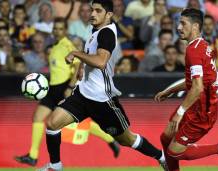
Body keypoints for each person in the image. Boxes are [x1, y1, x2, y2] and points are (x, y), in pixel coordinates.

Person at [38, 1, 167, 170]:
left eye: (98, 11)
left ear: (109, 15)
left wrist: (76, 53)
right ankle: (55, 166)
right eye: (92, 10)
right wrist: (81, 67)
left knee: (127, 140)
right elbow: (91, 56)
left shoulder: (106, 34)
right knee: (53, 123)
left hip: (102, 100)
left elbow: (100, 62)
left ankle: (162, 157)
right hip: (83, 95)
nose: (92, 14)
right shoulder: (96, 30)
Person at [14, 17, 119, 167]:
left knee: (77, 124)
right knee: (38, 117)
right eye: (55, 28)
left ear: (65, 31)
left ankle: (110, 139)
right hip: (52, 88)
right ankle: (33, 156)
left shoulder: (67, 45)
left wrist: (70, 88)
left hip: (64, 87)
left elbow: (77, 65)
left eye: (60, 28)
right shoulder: (55, 46)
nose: (57, 31)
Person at [154, 8, 218, 171]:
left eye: (183, 23)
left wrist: (180, 112)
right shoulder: (203, 46)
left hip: (203, 113)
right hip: (194, 106)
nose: (178, 27)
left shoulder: (193, 50)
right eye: (179, 23)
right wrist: (170, 91)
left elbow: (198, 87)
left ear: (195, 26)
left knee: (174, 152)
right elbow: (196, 82)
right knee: (166, 138)